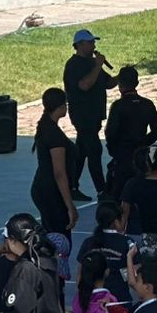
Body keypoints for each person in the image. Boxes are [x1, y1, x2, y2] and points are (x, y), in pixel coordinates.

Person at [63, 28, 116, 200]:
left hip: (95, 114)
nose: (94, 46)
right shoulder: (74, 65)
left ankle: (72, 186)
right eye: (90, 42)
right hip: (82, 115)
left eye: (94, 42)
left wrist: (122, 76)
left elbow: (108, 83)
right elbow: (84, 85)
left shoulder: (93, 63)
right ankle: (102, 191)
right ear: (79, 45)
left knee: (81, 151)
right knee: (94, 150)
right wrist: (98, 65)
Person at [104, 67, 157, 199]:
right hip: (141, 156)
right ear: (137, 83)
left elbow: (110, 133)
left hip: (122, 157)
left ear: (119, 84)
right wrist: (142, 143)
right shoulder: (147, 104)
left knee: (118, 194)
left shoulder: (118, 106)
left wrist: (115, 150)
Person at [30, 88, 78, 240]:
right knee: (60, 237)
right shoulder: (54, 135)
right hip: (51, 191)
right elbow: (59, 173)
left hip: (43, 187)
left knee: (51, 231)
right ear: (62, 106)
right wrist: (69, 205)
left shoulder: (46, 127)